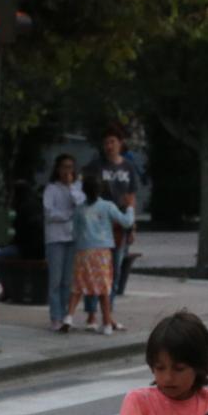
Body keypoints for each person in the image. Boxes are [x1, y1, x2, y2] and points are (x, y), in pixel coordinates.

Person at [65, 175, 134, 335]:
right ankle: (107, 323)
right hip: (102, 252)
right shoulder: (107, 206)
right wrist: (130, 207)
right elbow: (126, 222)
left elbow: (74, 232)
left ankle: (68, 316)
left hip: (83, 252)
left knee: (78, 286)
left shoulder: (79, 209)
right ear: (101, 189)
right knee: (103, 288)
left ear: (84, 191)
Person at [81, 130, 141, 311]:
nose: (109, 146)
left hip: (118, 225)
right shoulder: (96, 166)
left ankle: (109, 311)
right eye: (106, 142)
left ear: (120, 143)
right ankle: (91, 311)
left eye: (112, 142)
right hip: (98, 224)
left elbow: (131, 196)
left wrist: (132, 226)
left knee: (114, 269)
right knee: (94, 269)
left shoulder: (128, 167)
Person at [42, 154, 85, 332]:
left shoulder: (77, 188)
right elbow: (49, 212)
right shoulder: (51, 189)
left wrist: (71, 188)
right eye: (64, 167)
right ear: (57, 169)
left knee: (68, 280)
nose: (67, 171)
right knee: (55, 280)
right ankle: (55, 316)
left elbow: (81, 205)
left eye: (70, 167)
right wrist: (67, 215)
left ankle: (67, 315)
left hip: (72, 238)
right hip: (55, 238)